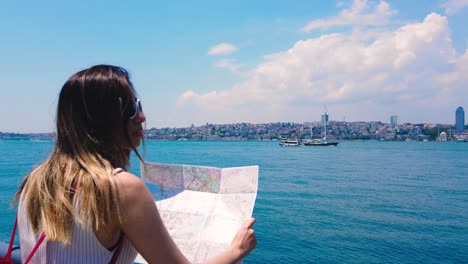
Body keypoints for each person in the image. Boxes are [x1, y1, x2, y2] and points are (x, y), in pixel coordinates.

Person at [13, 65, 257, 263]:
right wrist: (237, 250)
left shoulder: (34, 182)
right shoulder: (122, 188)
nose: (141, 116)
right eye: (131, 107)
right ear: (101, 118)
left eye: (138, 105)